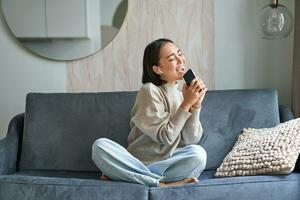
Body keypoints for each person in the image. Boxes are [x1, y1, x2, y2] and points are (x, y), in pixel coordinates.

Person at [92, 38, 207, 187]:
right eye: (172, 58)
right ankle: (161, 184)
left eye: (180, 54)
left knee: (198, 154)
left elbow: (190, 140)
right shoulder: (149, 91)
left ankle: (130, 177)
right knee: (100, 146)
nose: (180, 60)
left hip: (166, 164)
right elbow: (166, 137)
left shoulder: (182, 96)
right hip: (136, 162)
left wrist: (195, 105)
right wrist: (186, 105)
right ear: (158, 69)